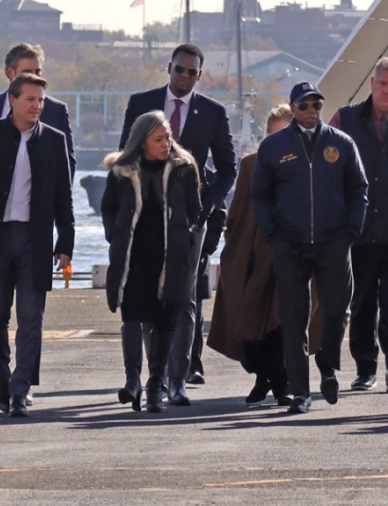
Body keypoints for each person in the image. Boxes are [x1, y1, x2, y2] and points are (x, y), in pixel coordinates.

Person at [118, 43, 236, 405]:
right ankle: (149, 377)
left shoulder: (213, 112)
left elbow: (229, 168)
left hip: (190, 220)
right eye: (179, 69)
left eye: (192, 72)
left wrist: (207, 204)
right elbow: (125, 156)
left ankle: (179, 377)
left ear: (200, 76)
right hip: (148, 217)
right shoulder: (142, 103)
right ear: (169, 68)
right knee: (147, 295)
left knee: (185, 299)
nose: (184, 76)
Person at [0, 73, 75, 418]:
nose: (37, 106)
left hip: (34, 241)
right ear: (12, 99)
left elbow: (64, 199)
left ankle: (21, 391)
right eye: (30, 99)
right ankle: (5, 384)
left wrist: (65, 243)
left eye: (41, 101)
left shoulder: (53, 141)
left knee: (31, 319)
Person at [250, 82, 367, 414]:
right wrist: (273, 233)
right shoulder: (273, 147)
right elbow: (260, 194)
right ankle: (300, 392)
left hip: (334, 242)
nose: (312, 111)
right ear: (293, 109)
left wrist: (351, 231)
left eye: (317, 105)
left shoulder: (341, 144)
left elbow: (359, 188)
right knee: (293, 319)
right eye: (304, 106)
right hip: (289, 244)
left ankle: (327, 365)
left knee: (336, 310)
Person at [207, 105, 319, 407]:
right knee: (249, 323)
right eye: (274, 134)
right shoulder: (250, 164)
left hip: (292, 255)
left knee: (283, 322)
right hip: (254, 255)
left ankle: (280, 382)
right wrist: (234, 249)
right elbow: (239, 210)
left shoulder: (308, 164)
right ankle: (264, 376)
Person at [101, 111, 204, 413]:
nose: (166, 144)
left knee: (164, 321)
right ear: (142, 142)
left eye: (168, 137)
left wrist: (186, 238)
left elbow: (196, 210)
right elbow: (108, 209)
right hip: (133, 257)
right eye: (158, 139)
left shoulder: (183, 169)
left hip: (169, 257)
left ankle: (155, 386)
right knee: (131, 316)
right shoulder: (121, 172)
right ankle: (132, 381)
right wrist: (115, 235)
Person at [329, 57, 388, 393]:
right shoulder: (346, 119)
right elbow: (328, 168)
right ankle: (365, 368)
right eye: (382, 83)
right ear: (371, 83)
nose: (387, 90)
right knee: (362, 301)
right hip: (359, 229)